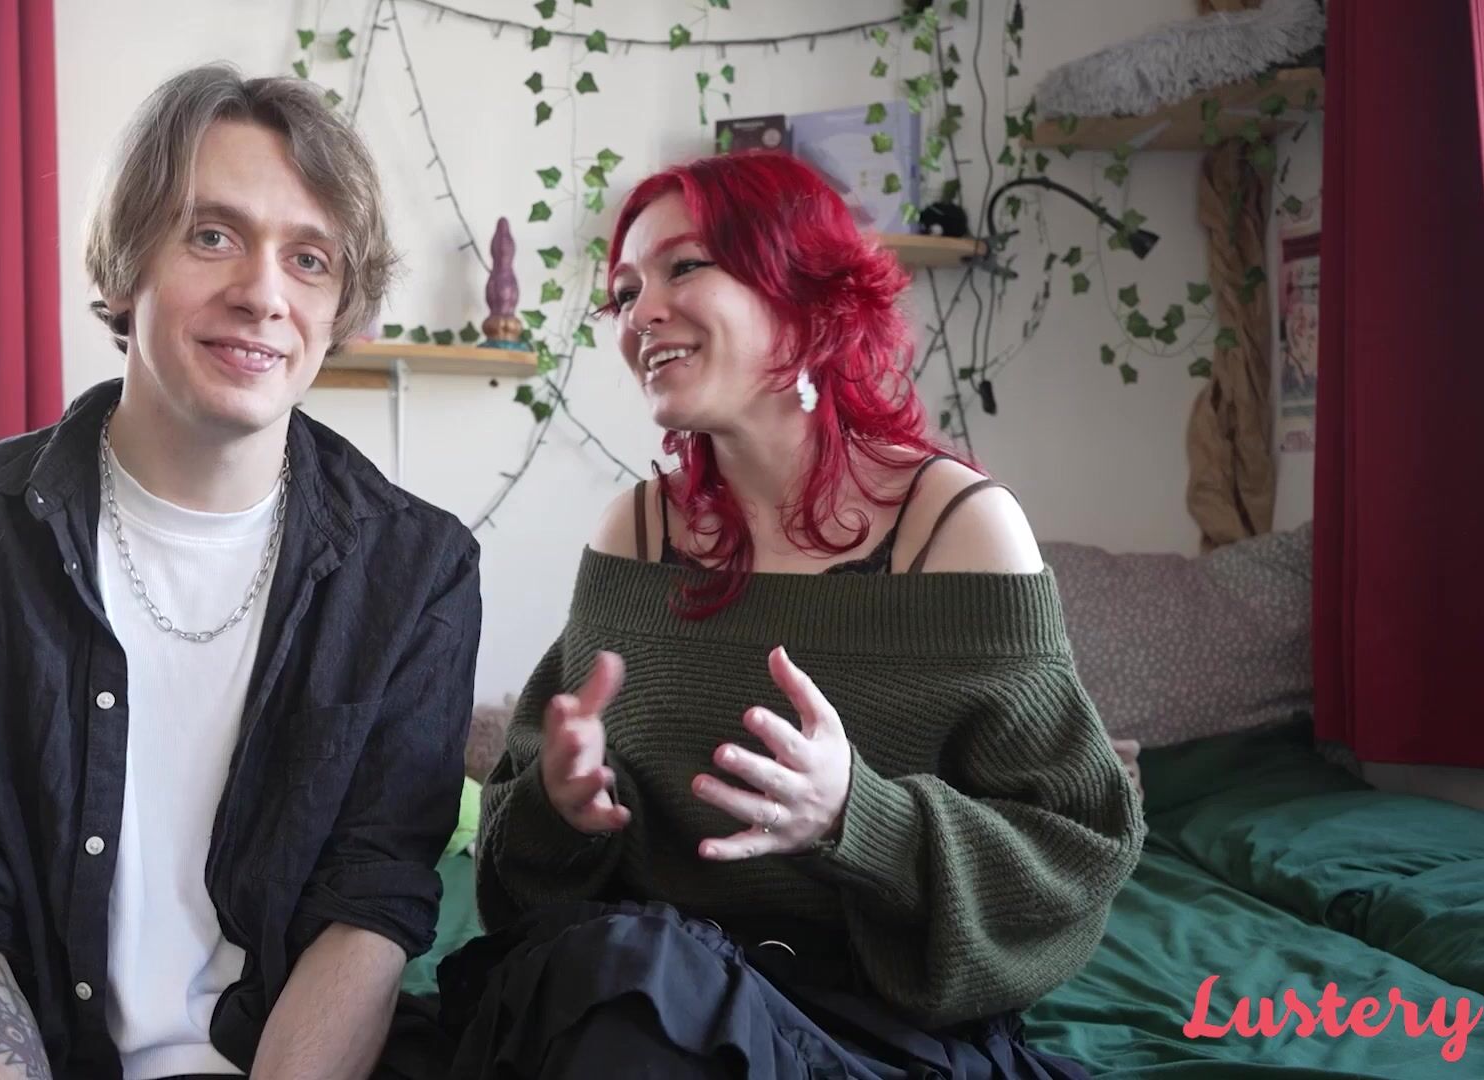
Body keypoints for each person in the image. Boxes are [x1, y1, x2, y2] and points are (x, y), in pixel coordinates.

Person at [451, 152, 1144, 1078]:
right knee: (613, 979)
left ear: (806, 291)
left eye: (683, 266)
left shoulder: (961, 530)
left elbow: (1075, 854)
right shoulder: (634, 534)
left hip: (873, 1028)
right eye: (626, 291)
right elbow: (515, 861)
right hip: (645, 995)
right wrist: (562, 806)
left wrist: (856, 813)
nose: (640, 313)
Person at [0, 64, 481, 1080]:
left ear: (339, 308)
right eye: (212, 236)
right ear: (124, 268)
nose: (263, 295)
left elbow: (370, 907)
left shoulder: (419, 571)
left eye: (309, 259)